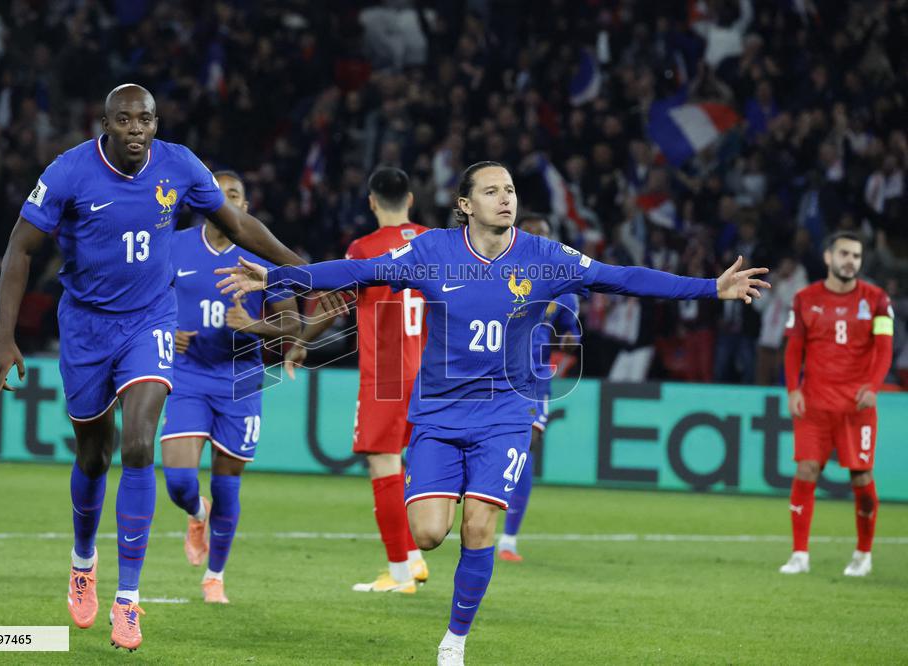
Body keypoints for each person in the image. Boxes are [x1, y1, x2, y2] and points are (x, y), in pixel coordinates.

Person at [217, 161, 769, 666]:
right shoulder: (432, 251)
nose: (505, 199)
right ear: (465, 204)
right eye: (491, 191)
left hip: (506, 410)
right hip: (436, 411)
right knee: (430, 534)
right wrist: (278, 278)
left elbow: (622, 277)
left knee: (480, 525)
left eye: (508, 190)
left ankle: (454, 641)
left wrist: (710, 288)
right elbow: (356, 273)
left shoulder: (545, 257)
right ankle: (438, 560)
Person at [0, 84, 311, 651]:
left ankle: (128, 601)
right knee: (95, 454)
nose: (136, 128)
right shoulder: (68, 173)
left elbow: (236, 224)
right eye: (124, 119)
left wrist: (301, 267)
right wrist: (4, 337)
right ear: (105, 124)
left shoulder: (180, 165)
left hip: (149, 322)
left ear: (156, 123)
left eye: (146, 119)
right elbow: (20, 249)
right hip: (87, 327)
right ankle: (83, 560)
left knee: (139, 445)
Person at [286, 167, 430, 593]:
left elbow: (333, 304)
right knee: (417, 464)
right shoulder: (437, 242)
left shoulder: (364, 250)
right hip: (436, 371)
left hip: (387, 373)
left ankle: (400, 573)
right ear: (410, 200)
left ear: (371, 202)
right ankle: (415, 557)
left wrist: (299, 343)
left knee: (384, 464)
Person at [160, 170, 299, 603]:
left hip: (240, 381)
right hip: (186, 374)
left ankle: (214, 577)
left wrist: (255, 326)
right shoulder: (174, 245)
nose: (225, 200)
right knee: (180, 482)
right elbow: (144, 297)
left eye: (234, 194)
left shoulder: (261, 255)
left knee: (227, 483)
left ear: (246, 207)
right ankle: (197, 513)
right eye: (217, 194)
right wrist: (165, 326)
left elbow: (293, 325)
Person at [779, 232, 894, 577]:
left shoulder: (877, 300)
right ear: (828, 257)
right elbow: (793, 348)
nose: (851, 261)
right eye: (844, 254)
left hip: (856, 406)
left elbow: (885, 348)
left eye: (856, 256)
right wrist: (792, 389)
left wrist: (873, 386)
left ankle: (863, 553)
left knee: (862, 478)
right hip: (814, 403)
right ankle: (800, 554)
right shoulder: (804, 299)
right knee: (806, 470)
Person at [497, 214, 580, 563]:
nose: (540, 239)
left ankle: (508, 541)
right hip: (489, 371)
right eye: (533, 233)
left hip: (533, 378)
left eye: (545, 233)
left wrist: (569, 341)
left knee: (528, 442)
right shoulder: (495, 272)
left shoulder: (560, 282)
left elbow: (570, 329)